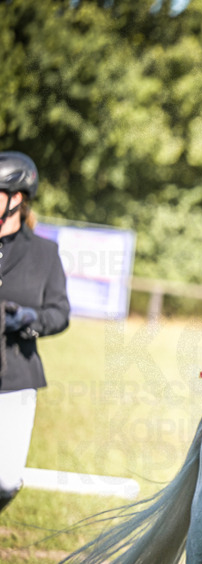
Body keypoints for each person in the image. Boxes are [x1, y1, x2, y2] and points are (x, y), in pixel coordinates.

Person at [0, 151, 70, 514]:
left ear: (18, 199)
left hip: (15, 375)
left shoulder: (44, 253)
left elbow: (60, 313)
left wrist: (30, 319)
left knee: (7, 480)